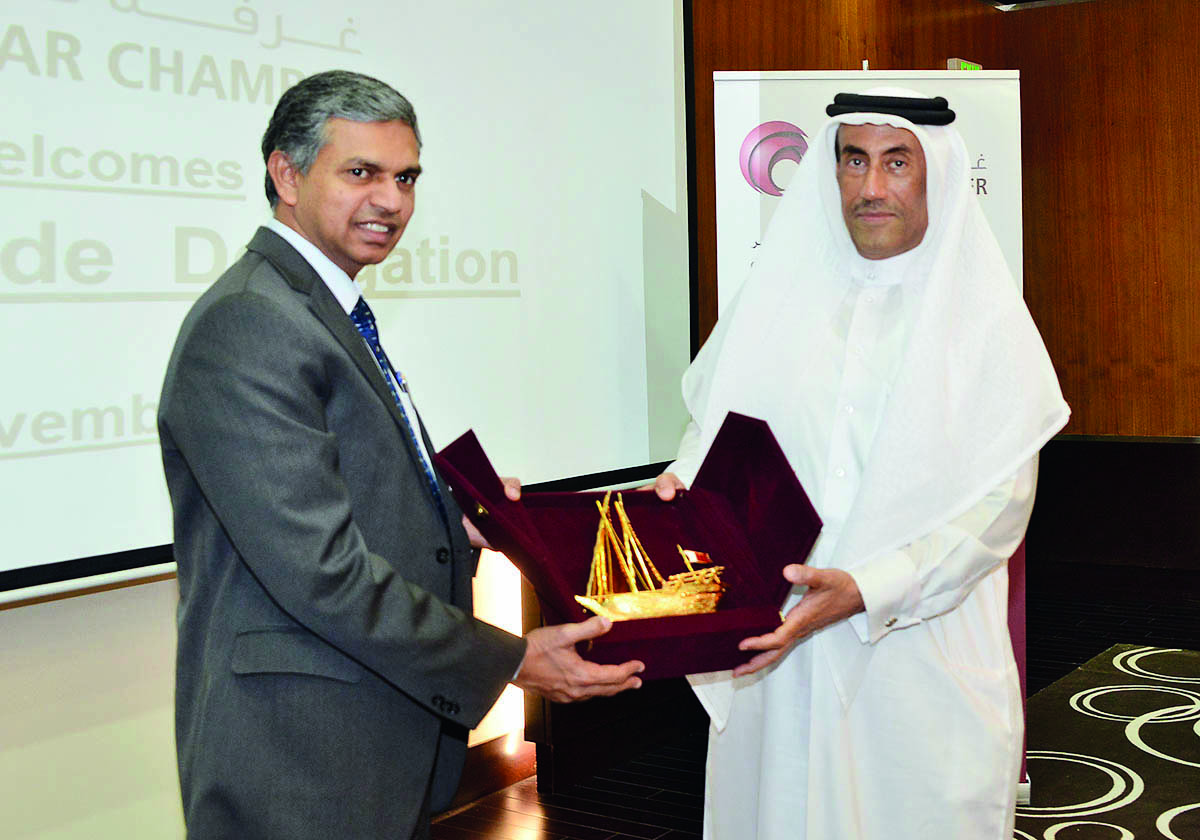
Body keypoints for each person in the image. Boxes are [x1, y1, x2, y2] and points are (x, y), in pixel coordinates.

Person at [158, 69, 643, 840]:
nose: (391, 201)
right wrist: (511, 659)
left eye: (406, 177)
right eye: (362, 173)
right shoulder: (253, 321)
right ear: (286, 172)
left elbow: (341, 493)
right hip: (299, 753)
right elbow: (319, 572)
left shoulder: (320, 308)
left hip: (364, 732)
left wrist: (456, 518)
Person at [654, 90, 1069, 839]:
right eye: (854, 160)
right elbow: (711, 441)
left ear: (935, 174)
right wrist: (682, 495)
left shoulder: (988, 325)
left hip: (918, 656)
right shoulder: (773, 304)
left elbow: (997, 511)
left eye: (896, 162)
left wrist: (868, 589)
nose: (872, 187)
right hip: (777, 660)